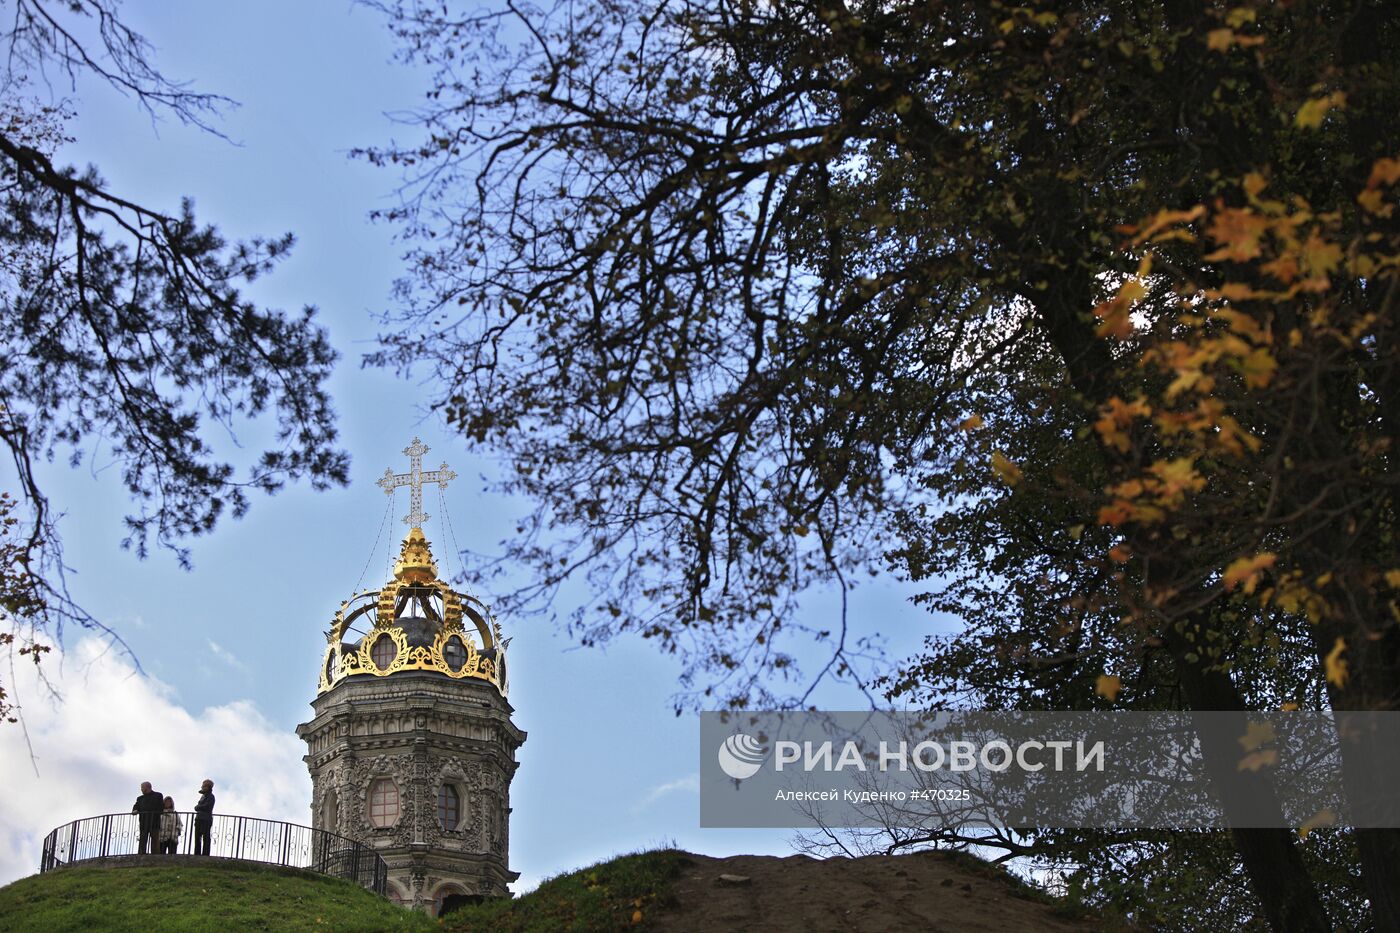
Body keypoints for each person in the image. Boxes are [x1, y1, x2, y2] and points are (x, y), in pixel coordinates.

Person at [132, 781, 163, 855]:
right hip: (143, 822)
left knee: (155, 840)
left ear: (147, 787)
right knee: (143, 840)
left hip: (154, 821)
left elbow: (160, 807)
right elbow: (136, 806)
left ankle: (155, 856)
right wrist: (135, 810)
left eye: (142, 788)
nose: (141, 789)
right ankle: (141, 855)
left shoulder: (158, 795)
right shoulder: (140, 798)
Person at [193, 779, 215, 856]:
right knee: (197, 837)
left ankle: (205, 854)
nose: (202, 787)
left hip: (206, 819)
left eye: (204, 785)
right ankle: (197, 853)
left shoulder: (211, 796)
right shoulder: (203, 796)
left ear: (208, 787)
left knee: (206, 837)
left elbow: (207, 806)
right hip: (199, 819)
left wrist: (198, 807)